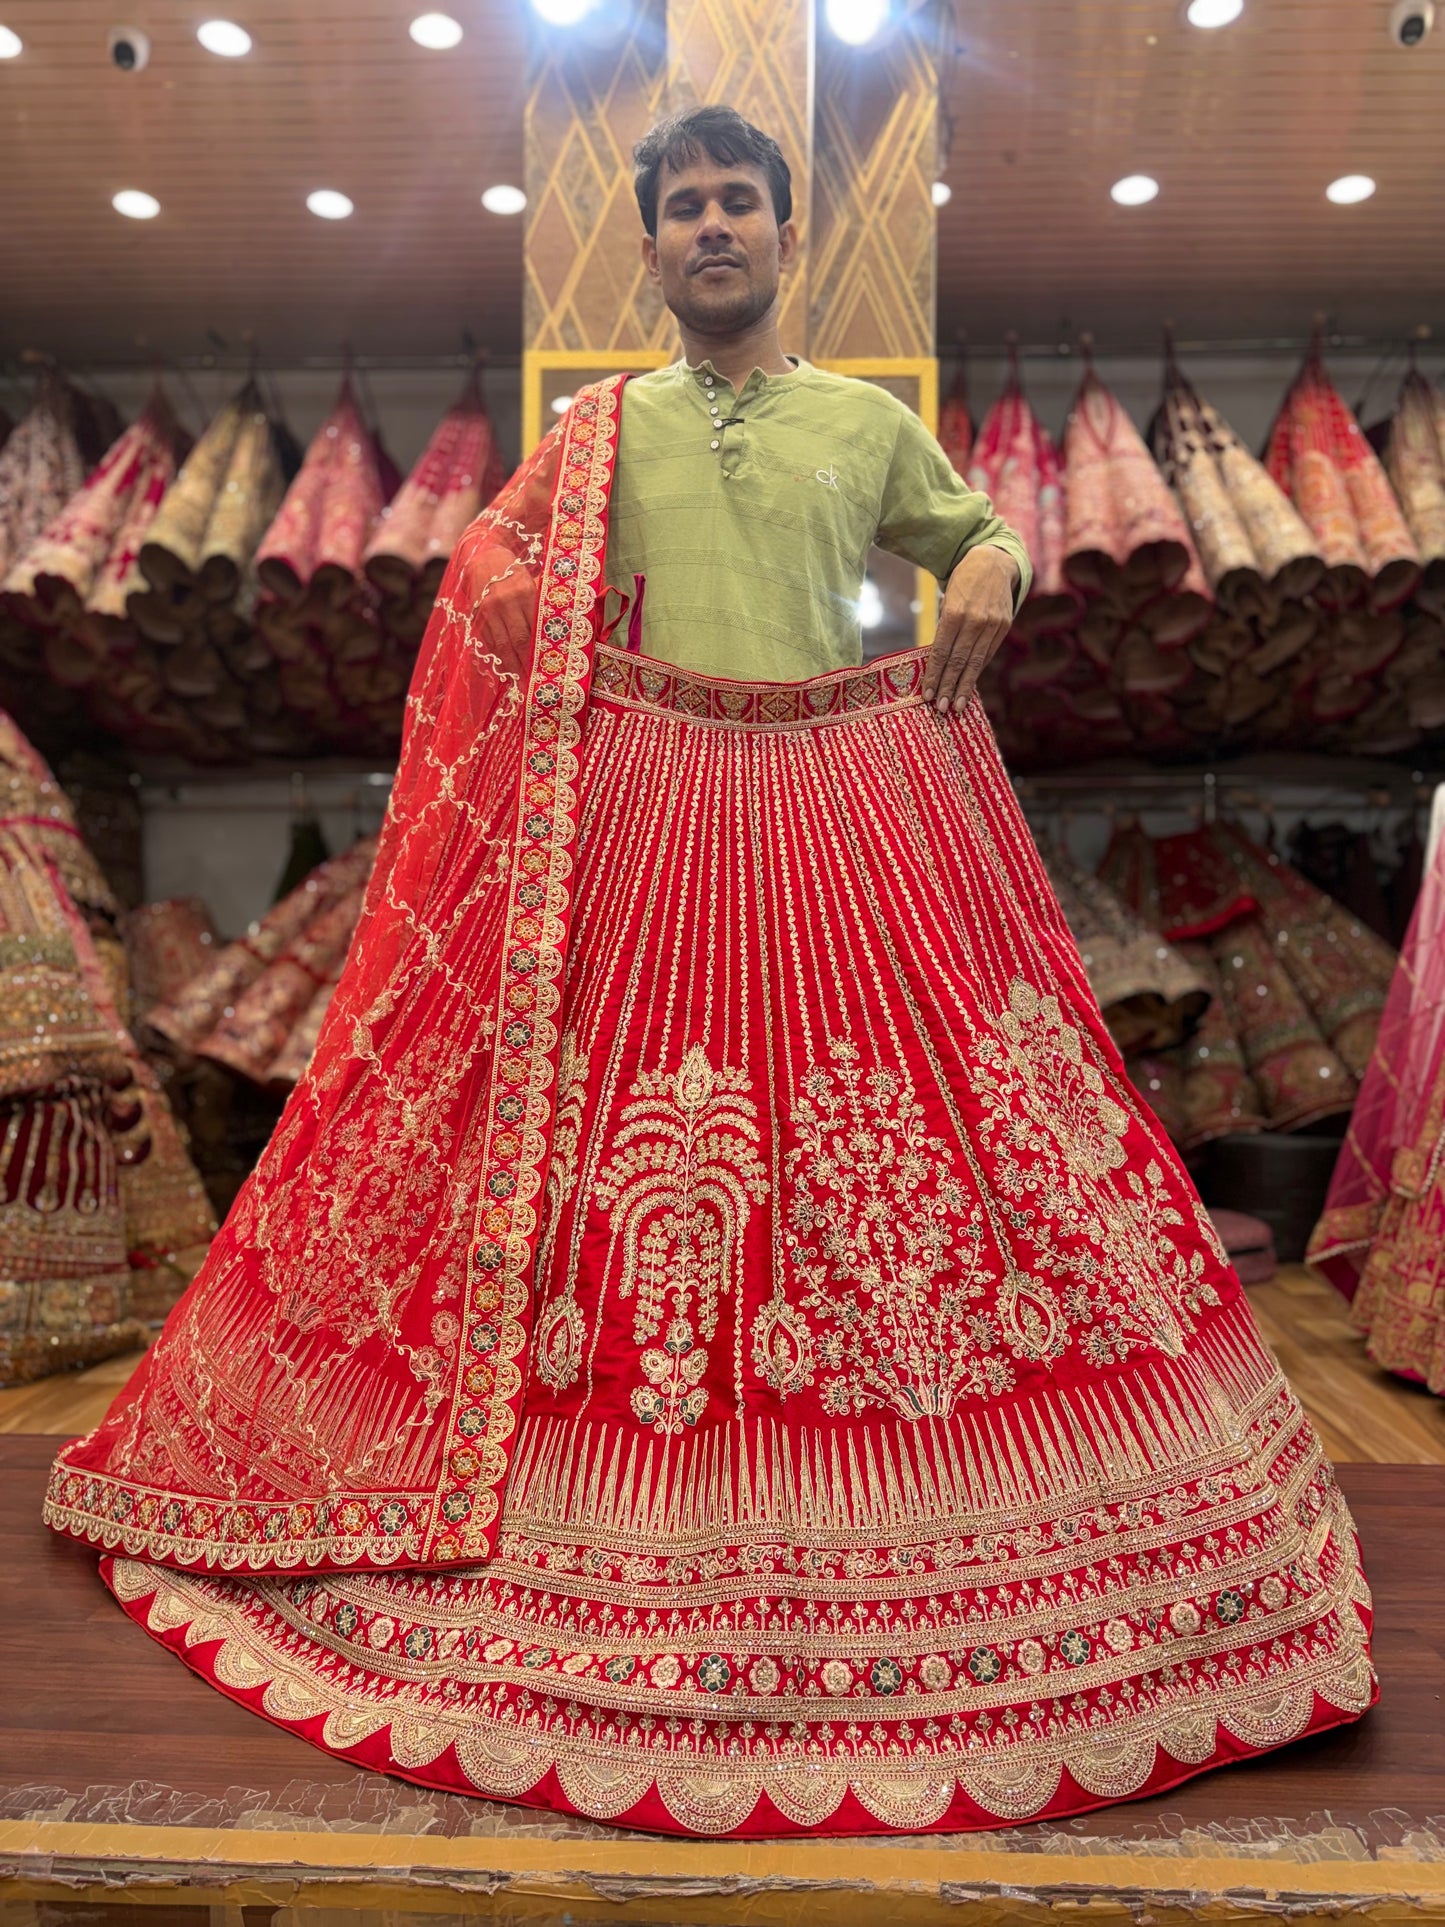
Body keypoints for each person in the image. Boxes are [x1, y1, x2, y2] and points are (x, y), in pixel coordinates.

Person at [46, 106, 1373, 1840]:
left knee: (882, 1153)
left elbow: (975, 536)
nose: (713, 227)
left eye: (739, 200)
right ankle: (589, 1500)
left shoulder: (862, 421)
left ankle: (915, 1502)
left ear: (785, 234)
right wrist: (522, 608)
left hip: (838, 815)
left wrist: (986, 574)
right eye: (683, 207)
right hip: (638, 826)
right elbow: (491, 559)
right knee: (610, 1171)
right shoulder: (598, 429)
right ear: (652, 247)